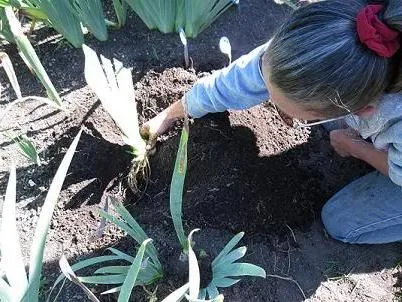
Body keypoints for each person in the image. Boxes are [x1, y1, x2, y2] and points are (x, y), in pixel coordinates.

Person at [141, 0, 402, 244]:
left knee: (341, 223)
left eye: (297, 113)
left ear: (362, 109)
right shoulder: (332, 37)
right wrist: (171, 114)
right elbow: (243, 78)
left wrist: (356, 147)